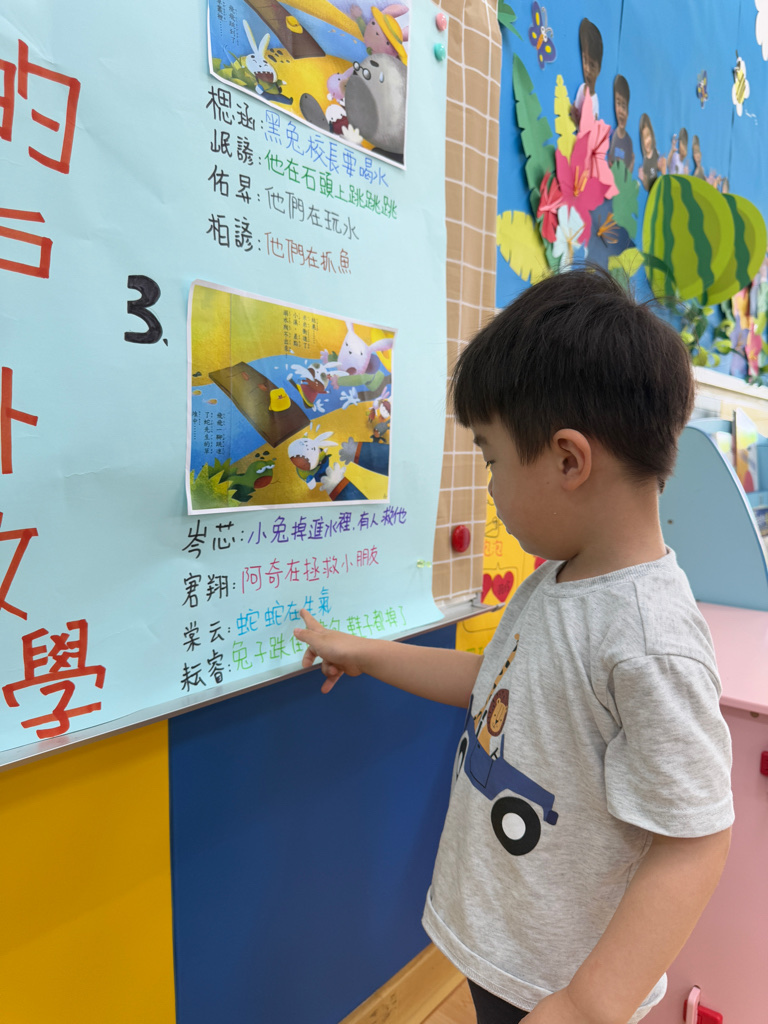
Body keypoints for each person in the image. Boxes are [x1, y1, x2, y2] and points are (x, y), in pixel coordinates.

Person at [294, 269, 734, 1024]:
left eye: (493, 460)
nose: (491, 489)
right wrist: (366, 653)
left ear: (568, 460)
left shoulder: (648, 638)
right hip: (504, 953)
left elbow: (696, 839)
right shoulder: (557, 581)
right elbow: (495, 685)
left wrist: (588, 1003)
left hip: (560, 987)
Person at [571, 18, 602, 122]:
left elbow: (591, 125)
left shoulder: (594, 102)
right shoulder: (581, 88)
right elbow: (574, 111)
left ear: (599, 69)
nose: (587, 70)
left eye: (592, 65)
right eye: (585, 61)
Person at [606, 75, 634, 172]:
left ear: (628, 112)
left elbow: (628, 171)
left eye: (624, 106)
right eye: (618, 104)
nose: (621, 111)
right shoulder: (611, 135)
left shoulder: (628, 142)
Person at [638, 112, 665, 191]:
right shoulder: (646, 162)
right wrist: (643, 179)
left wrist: (660, 167)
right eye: (644, 138)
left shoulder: (655, 153)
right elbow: (648, 187)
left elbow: (659, 168)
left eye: (648, 135)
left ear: (652, 135)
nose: (647, 141)